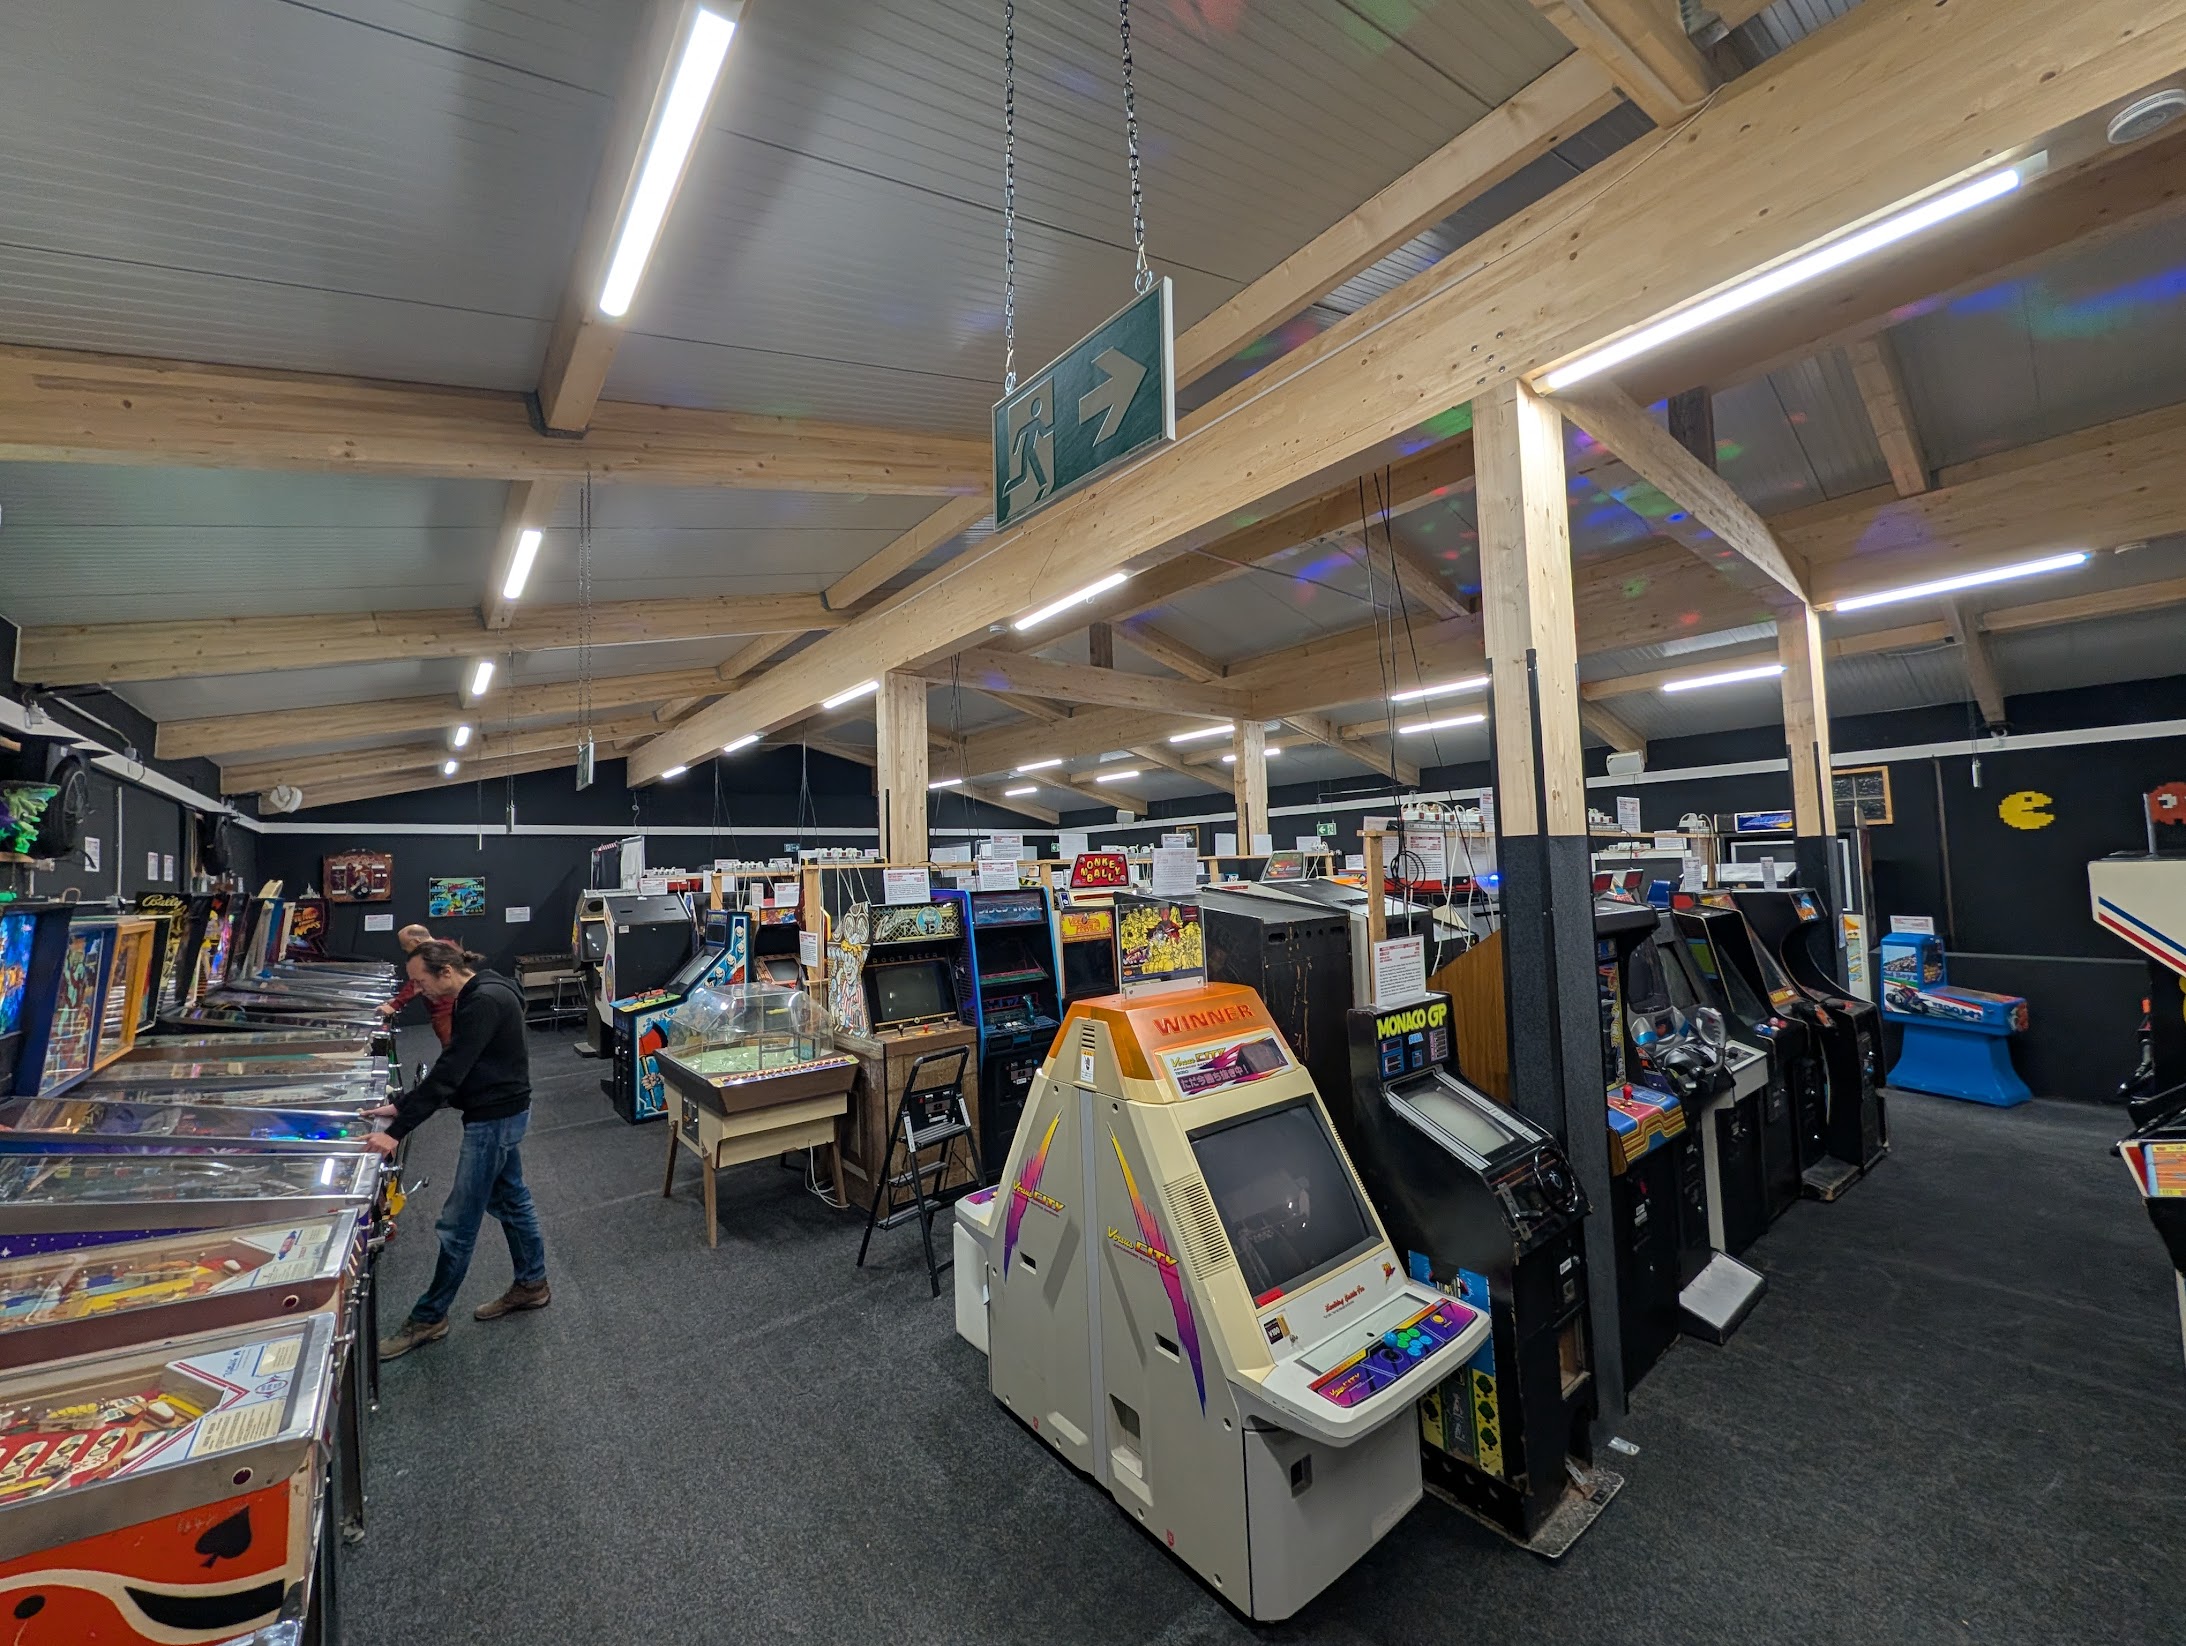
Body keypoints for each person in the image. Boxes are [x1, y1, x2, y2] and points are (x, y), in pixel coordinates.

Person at [370, 941, 550, 1360]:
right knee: (511, 1200)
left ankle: (429, 1317)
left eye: (421, 982)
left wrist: (396, 1131)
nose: (418, 991)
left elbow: (452, 1071)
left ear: (447, 972)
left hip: (494, 1121)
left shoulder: (481, 1002)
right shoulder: (488, 987)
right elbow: (465, 1068)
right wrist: (403, 1105)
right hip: (503, 1111)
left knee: (458, 1223)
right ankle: (532, 1283)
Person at [380, 924, 455, 1046]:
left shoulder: (430, 954)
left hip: (445, 1010)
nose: (406, 951)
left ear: (415, 942)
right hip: (454, 1006)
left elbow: (417, 983)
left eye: (406, 947)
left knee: (452, 1046)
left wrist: (394, 1005)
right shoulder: (446, 945)